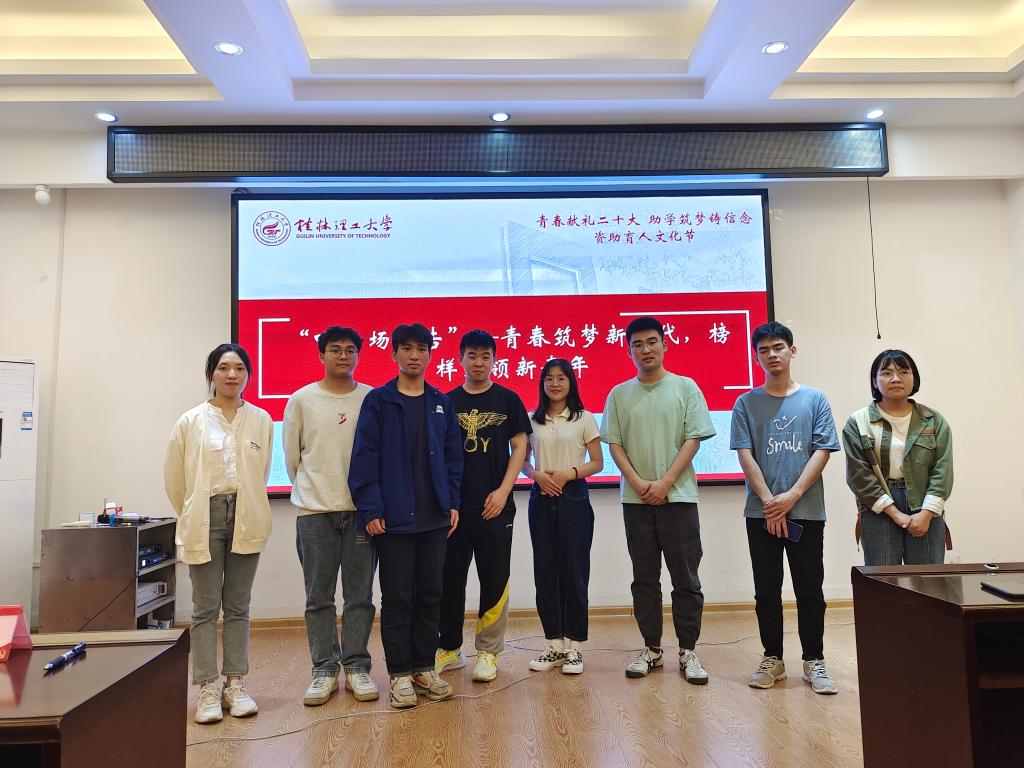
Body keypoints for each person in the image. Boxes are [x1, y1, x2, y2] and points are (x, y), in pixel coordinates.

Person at [349, 322, 463, 709]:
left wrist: (452, 502)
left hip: (434, 517)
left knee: (431, 594)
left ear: (431, 355)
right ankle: (399, 673)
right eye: (407, 348)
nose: (415, 355)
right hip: (393, 519)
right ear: (394, 353)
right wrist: (371, 508)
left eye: (422, 349)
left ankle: (423, 667)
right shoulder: (379, 401)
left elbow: (453, 459)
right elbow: (364, 458)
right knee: (398, 597)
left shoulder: (441, 402)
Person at [601, 316, 716, 684]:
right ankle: (651, 649)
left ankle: (688, 651)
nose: (645, 349)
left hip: (678, 498)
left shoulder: (685, 387)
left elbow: (693, 439)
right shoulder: (618, 394)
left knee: (686, 578)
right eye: (637, 344)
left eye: (652, 341)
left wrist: (666, 482)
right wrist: (638, 483)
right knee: (644, 579)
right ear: (629, 351)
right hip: (636, 502)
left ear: (665, 345)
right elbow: (615, 444)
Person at [164, 343, 273, 724]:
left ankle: (235, 684)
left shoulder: (261, 419)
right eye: (224, 367)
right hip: (204, 517)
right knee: (206, 607)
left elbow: (261, 472)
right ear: (211, 374)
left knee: (239, 605)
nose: (232, 375)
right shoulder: (190, 421)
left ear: (248, 374)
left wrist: (244, 504)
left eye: (239, 368)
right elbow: (176, 481)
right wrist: (195, 511)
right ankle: (208, 687)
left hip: (246, 514)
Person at [730, 322, 841, 695]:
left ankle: (814, 660)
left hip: (806, 509)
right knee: (766, 590)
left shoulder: (815, 399)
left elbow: (822, 450)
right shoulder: (745, 403)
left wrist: (791, 497)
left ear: (792, 351)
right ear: (756, 357)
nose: (771, 354)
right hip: (760, 512)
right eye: (763, 350)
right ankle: (773, 659)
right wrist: (769, 502)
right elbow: (745, 454)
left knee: (809, 589)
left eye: (778, 347)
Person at [283, 326, 378, 706]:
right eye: (335, 349)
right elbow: (293, 459)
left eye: (350, 350)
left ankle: (356, 667)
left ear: (358, 356)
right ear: (321, 355)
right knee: (318, 598)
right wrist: (314, 493)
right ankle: (324, 670)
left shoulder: (371, 398)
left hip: (360, 515)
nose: (343, 356)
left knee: (360, 597)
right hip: (315, 514)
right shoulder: (302, 400)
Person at [436, 330, 531, 682]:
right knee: (449, 580)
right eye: (472, 355)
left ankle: (489, 651)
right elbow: (439, 456)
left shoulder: (508, 399)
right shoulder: (446, 402)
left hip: (495, 507)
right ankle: (449, 648)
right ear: (460, 359)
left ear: (495, 360)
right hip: (455, 511)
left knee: (494, 578)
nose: (479, 362)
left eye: (485, 356)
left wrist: (504, 491)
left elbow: (520, 447)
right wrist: (447, 502)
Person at [523, 358, 603, 675]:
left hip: (574, 497)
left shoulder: (584, 418)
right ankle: (554, 644)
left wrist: (568, 474)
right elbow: (522, 461)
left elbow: (597, 462)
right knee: (545, 571)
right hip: (540, 497)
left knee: (574, 571)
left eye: (561, 378)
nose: (555, 384)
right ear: (542, 383)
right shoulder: (532, 419)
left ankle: (575, 647)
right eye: (549, 378)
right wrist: (537, 476)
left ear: (571, 382)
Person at [842, 349, 952, 566]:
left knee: (927, 580)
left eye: (903, 371)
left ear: (914, 379)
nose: (895, 378)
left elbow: (943, 469)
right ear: (874, 381)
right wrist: (894, 513)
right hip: (878, 508)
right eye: (886, 373)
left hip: (926, 506)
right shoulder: (858, 422)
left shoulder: (933, 420)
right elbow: (858, 475)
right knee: (884, 580)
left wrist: (926, 514)